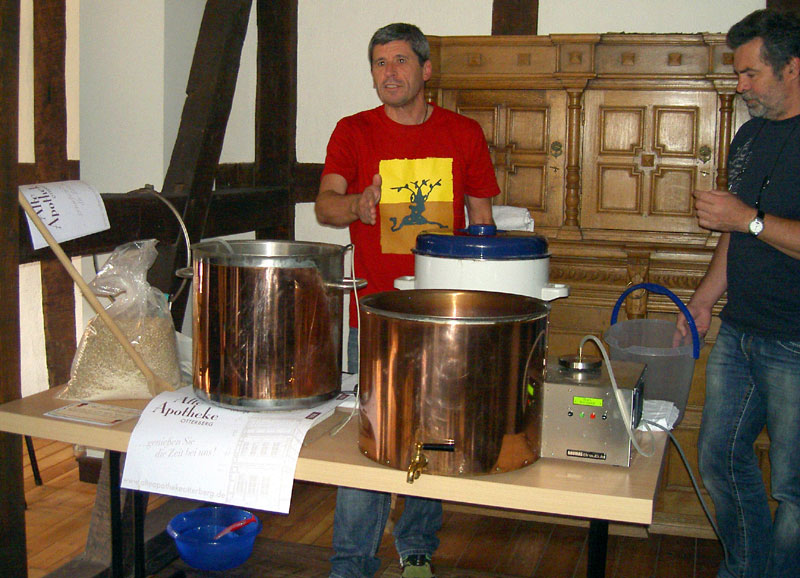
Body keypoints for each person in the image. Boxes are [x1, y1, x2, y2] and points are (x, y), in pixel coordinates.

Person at [314, 22, 499, 578]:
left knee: (434, 433)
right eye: (378, 63)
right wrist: (357, 207)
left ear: (425, 69)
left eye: (399, 61)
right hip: (370, 315)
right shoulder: (353, 131)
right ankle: (351, 563)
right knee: (365, 440)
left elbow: (484, 219)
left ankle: (416, 547)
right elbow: (325, 205)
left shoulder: (464, 134)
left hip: (445, 315)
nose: (388, 72)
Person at [676, 9, 800, 578]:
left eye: (751, 74)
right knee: (720, 462)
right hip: (741, 330)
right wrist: (702, 302)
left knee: (794, 489)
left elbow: (743, 222)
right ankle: (747, 571)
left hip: (795, 343)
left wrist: (747, 218)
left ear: (792, 67)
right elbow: (731, 235)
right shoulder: (749, 135)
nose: (740, 86)